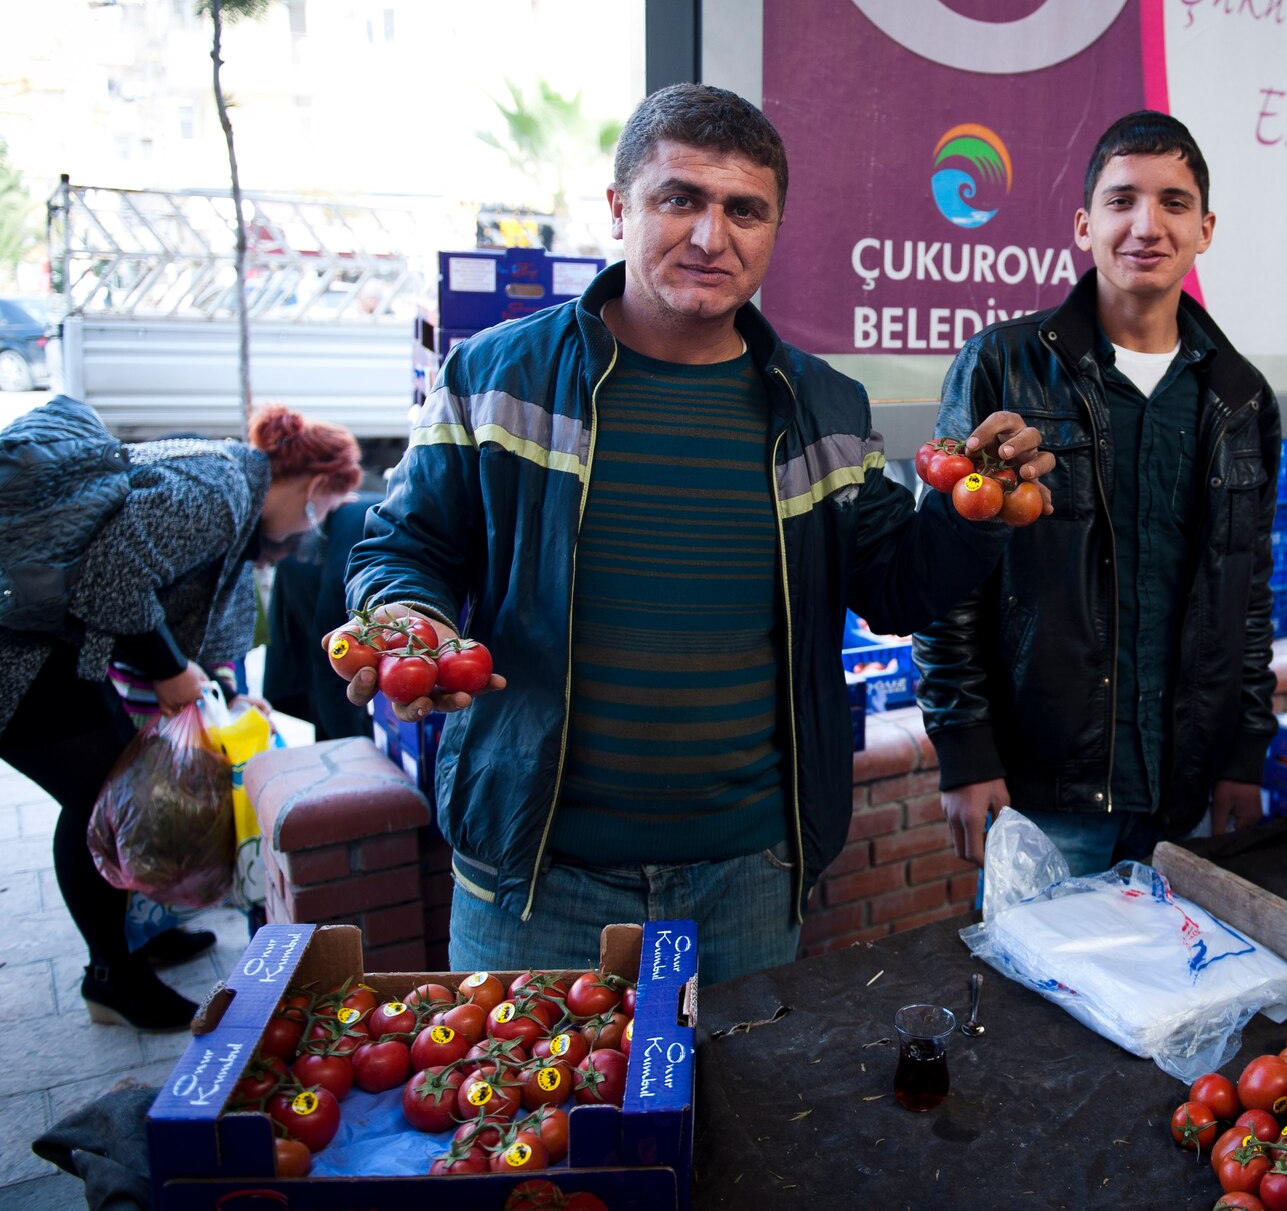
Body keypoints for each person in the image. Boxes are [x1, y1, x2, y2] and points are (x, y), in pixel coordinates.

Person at [341, 84, 1055, 983]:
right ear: (618, 208)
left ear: (774, 229)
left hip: (749, 876)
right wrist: (411, 620)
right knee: (542, 1120)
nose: (712, 237)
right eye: (679, 199)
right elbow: (402, 549)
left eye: (744, 210)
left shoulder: (824, 405)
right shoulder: (494, 376)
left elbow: (894, 587)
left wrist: (971, 510)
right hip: (535, 879)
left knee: (728, 1121)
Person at [913, 111, 1279, 875]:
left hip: (1188, 793)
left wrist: (1245, 749)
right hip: (1043, 793)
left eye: (1174, 203)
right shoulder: (1002, 366)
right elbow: (947, 577)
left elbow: (1247, 593)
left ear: (1205, 228)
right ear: (1084, 225)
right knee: (1035, 996)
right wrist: (964, 746)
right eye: (1122, 200)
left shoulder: (1241, 398)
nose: (1147, 224)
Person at [0, 403, 361, 1028]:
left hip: (44, 647)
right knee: (101, 796)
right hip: (17, 651)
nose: (312, 529)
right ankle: (112, 976)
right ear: (314, 485)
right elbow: (111, 583)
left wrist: (220, 685)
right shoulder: (218, 490)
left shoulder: (237, 503)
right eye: (323, 511)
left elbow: (205, 621)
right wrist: (171, 674)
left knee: (117, 780)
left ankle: (139, 937)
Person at [264, 491, 384, 742]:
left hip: (336, 545)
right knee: (333, 658)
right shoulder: (347, 574)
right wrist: (354, 742)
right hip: (308, 565)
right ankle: (345, 749)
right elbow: (329, 657)